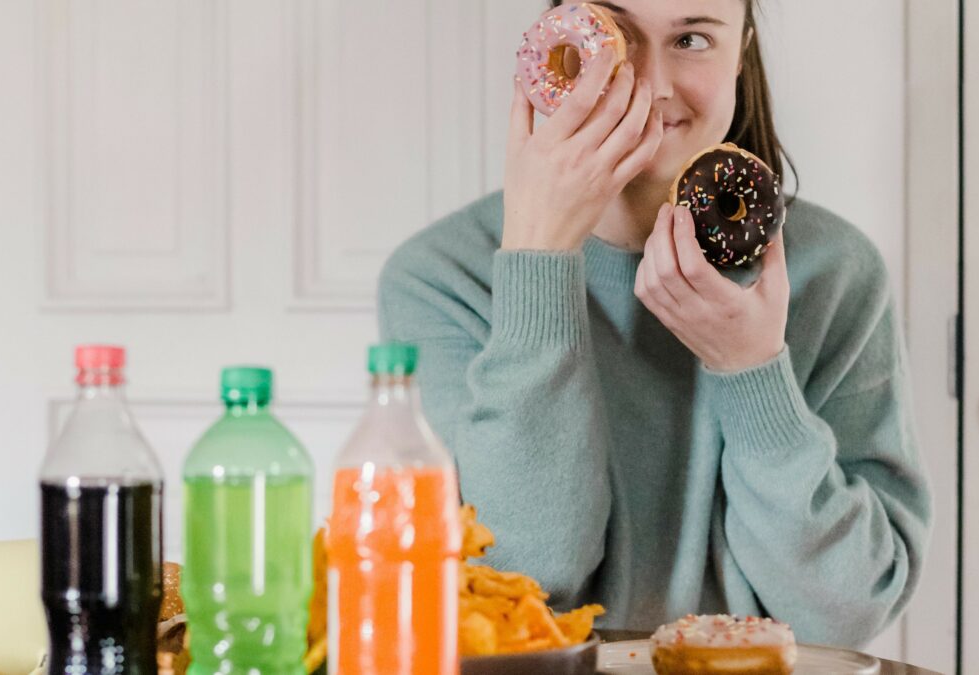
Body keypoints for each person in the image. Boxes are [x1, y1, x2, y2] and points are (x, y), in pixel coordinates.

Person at [377, 0, 931, 647]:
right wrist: (538, 261)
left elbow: (848, 611)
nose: (653, 86)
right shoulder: (442, 278)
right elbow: (520, 582)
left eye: (692, 38)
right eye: (614, 37)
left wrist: (752, 374)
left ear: (741, 51)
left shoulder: (833, 274)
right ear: (557, 49)